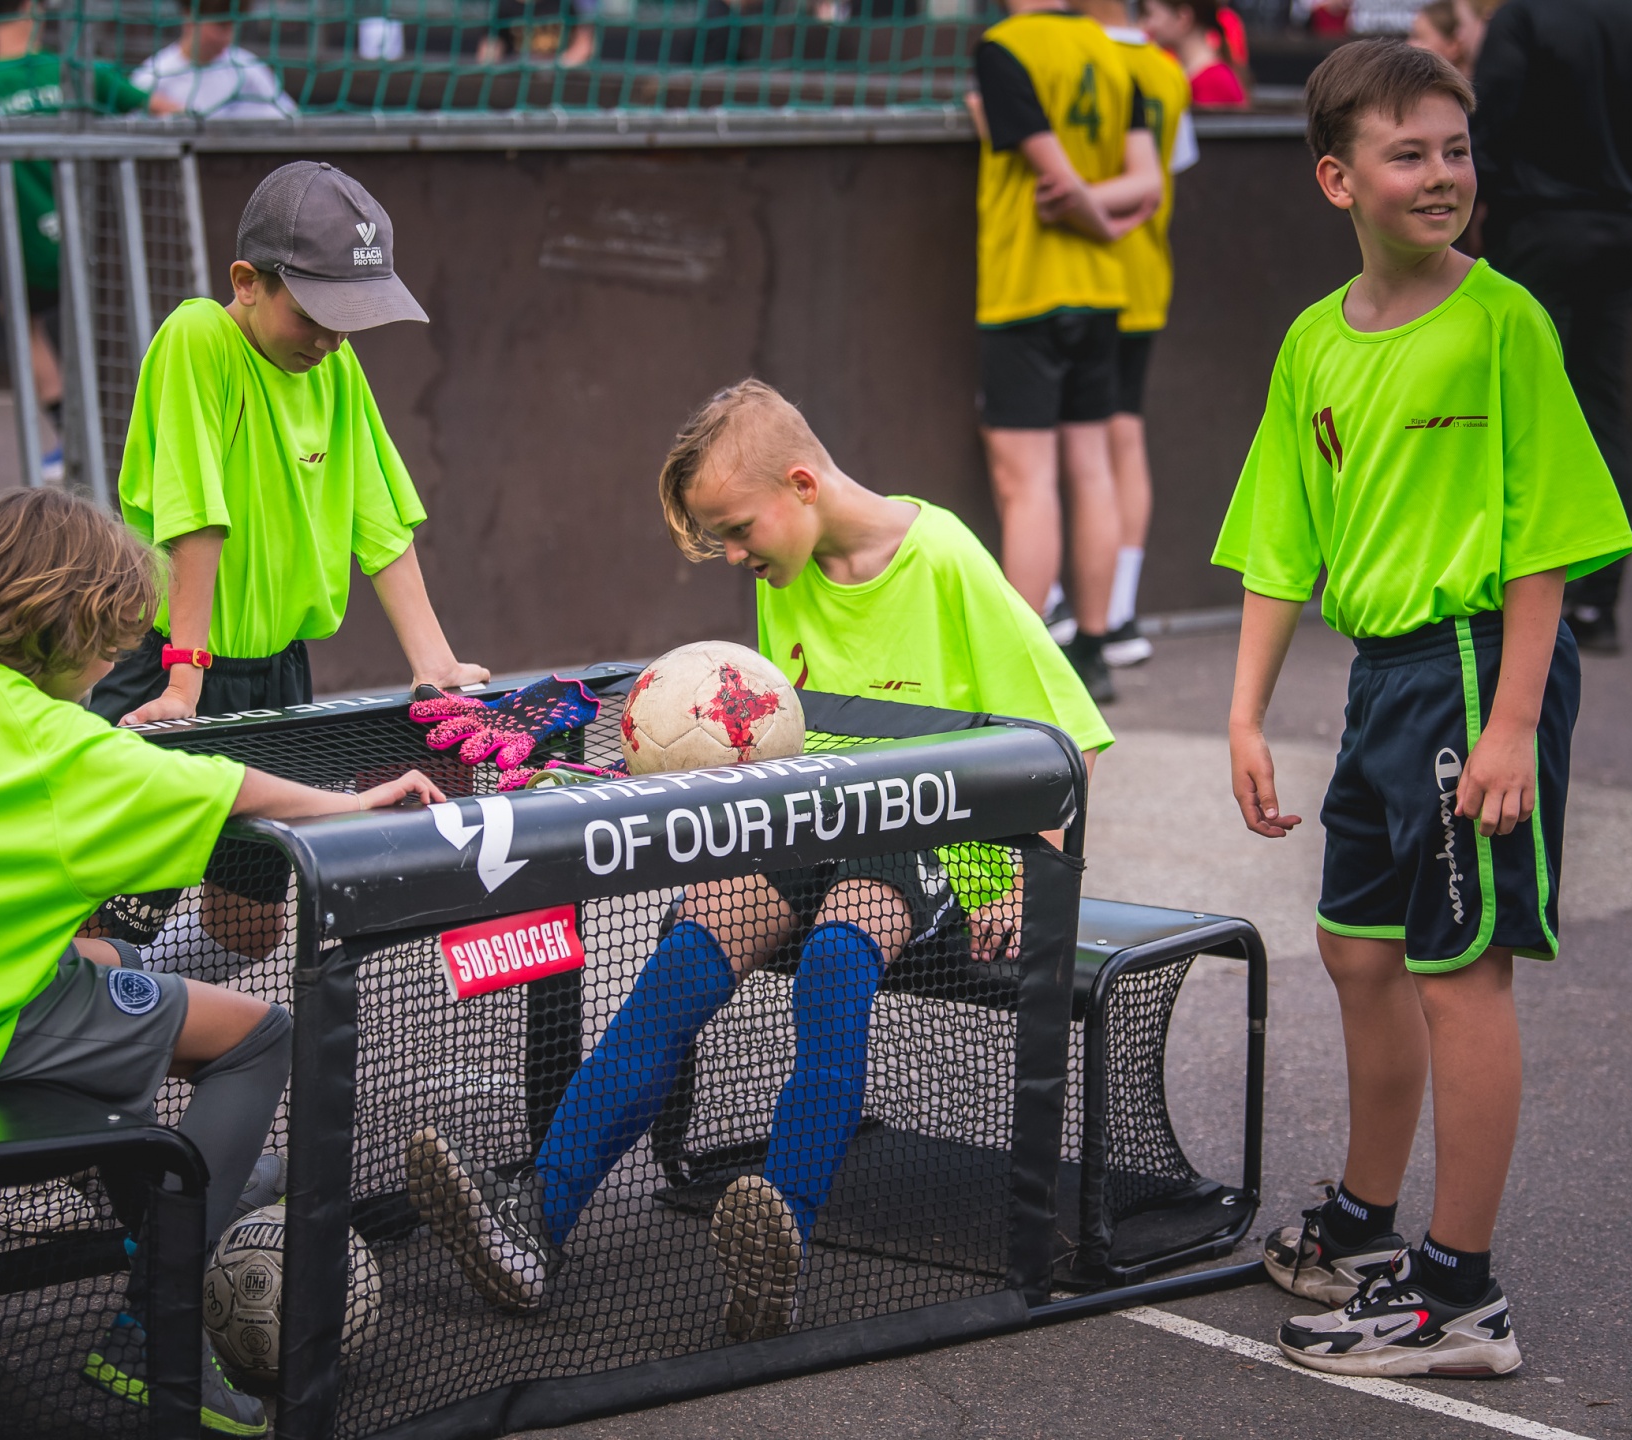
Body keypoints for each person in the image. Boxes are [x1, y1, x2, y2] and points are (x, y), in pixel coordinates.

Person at [404, 380, 1112, 1342]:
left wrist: (1030, 881)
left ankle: (779, 1239)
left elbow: (1072, 742)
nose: (733, 555)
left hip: (933, 835)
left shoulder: (945, 559)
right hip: (804, 824)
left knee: (834, 965)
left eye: (737, 531)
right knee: (683, 964)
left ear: (801, 485)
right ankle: (537, 1220)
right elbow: (777, 741)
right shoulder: (785, 570)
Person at [0, 487, 446, 1434]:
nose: (113, 665)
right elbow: (218, 788)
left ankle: (193, 1187)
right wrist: (352, 803)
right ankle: (152, 1328)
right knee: (259, 1037)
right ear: (59, 627)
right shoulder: (50, 740)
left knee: (111, 956)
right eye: (108, 642)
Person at [1216, 41, 1632, 1377]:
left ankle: (1460, 1297)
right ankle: (1363, 1220)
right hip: (1384, 678)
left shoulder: (1505, 321)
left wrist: (1510, 724)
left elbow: (1545, 542)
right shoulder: (1313, 343)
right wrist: (1244, 715)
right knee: (1355, 950)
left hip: (1472, 667)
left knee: (1462, 972)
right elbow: (1281, 541)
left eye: (1457, 149)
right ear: (1338, 179)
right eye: (1411, 153)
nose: (1445, 173)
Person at [84, 162, 486, 956]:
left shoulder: (334, 366)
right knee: (109, 919)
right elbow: (195, 516)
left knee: (250, 930)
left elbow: (380, 518)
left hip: (276, 681)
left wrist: (434, 663)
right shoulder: (199, 338)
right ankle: (107, 1008)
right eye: (314, 315)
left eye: (349, 320)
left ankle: (153, 1003)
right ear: (247, 282)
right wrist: (184, 681)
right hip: (170, 667)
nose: (332, 338)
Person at [972, 0, 1166, 703]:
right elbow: (1147, 181)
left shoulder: (1005, 48)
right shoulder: (1114, 53)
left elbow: (1053, 178)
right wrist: (1111, 216)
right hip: (1103, 294)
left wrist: (1088, 213)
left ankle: (1025, 667)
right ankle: (1093, 649)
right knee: (1092, 469)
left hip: (1026, 290)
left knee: (1027, 483)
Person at [1473, 0, 1632, 654]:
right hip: (1618, 231)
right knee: (1601, 405)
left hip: (1537, 229)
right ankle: (1596, 599)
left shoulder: (1525, 18)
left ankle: (1518, 591)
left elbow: (1488, 126)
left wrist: (1477, 210)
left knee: (1521, 407)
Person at [0, 0, 180, 485]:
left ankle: (70, 436)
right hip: (93, 242)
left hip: (35, 250)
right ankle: (128, 441)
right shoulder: (75, 73)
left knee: (20, 317)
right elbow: (168, 111)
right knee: (115, 325)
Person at [1093, 0, 1198, 667]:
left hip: (1086, 275)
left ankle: (1080, 609)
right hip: (1145, 277)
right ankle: (1118, 610)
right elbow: (1173, 164)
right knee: (1122, 436)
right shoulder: (1166, 72)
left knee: (1076, 447)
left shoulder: (1081, 62)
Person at [132, 0, 300, 119]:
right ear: (190, 17)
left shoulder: (247, 68)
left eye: (234, 25)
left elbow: (289, 117)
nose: (228, 37)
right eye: (221, 26)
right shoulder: (154, 75)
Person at [1141, 0, 1249, 107]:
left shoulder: (1213, 82)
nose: (1147, 25)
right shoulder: (1195, 76)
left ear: (1182, 18)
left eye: (1150, 14)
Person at [477, 0, 598, 66]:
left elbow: (584, 44)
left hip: (560, 79)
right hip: (519, 78)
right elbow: (490, 48)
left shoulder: (564, 4)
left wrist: (561, 64)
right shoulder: (505, 7)